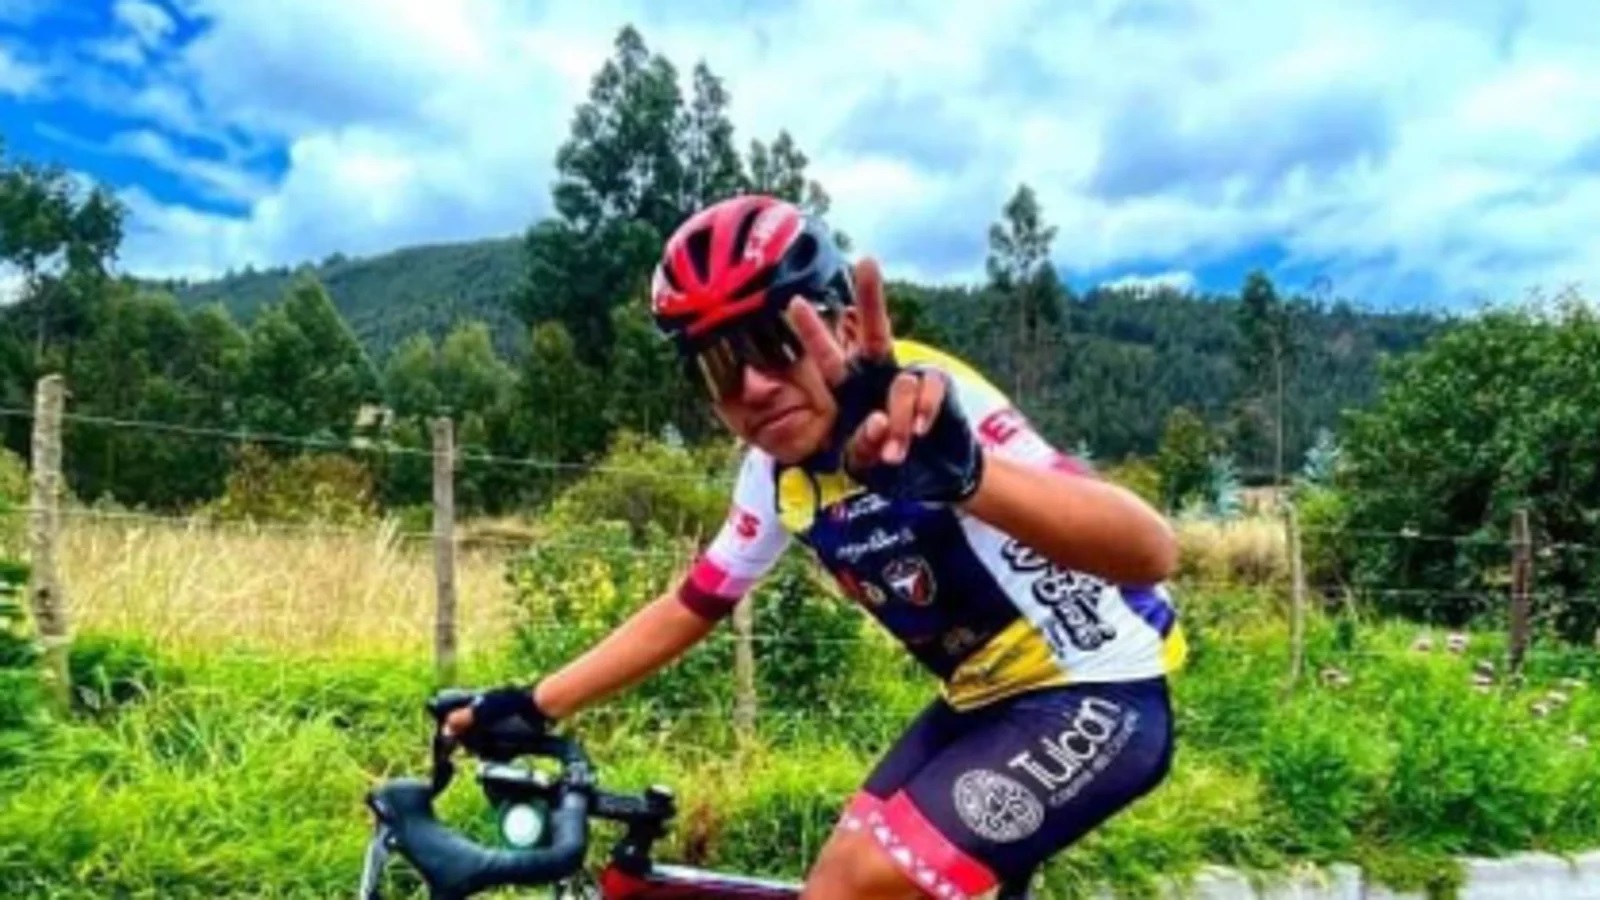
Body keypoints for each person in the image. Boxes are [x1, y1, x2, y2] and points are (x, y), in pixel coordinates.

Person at [444, 194, 1186, 900]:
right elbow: (694, 604)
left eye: (777, 344)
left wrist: (968, 478)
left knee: (850, 886)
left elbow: (1152, 551)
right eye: (720, 368)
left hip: (1098, 686)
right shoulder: (774, 473)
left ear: (844, 325)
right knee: (831, 880)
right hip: (978, 700)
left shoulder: (926, 400)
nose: (755, 387)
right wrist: (533, 705)